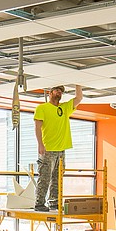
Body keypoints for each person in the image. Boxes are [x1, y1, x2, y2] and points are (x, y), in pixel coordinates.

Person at [32, 84, 83, 212]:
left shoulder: (65, 108)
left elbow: (79, 97)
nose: (59, 92)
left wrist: (79, 82)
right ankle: (39, 203)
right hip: (48, 149)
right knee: (45, 177)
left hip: (61, 150)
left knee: (57, 178)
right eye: (56, 90)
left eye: (61, 91)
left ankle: (54, 202)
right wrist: (40, 144)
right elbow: (37, 127)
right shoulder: (42, 108)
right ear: (50, 93)